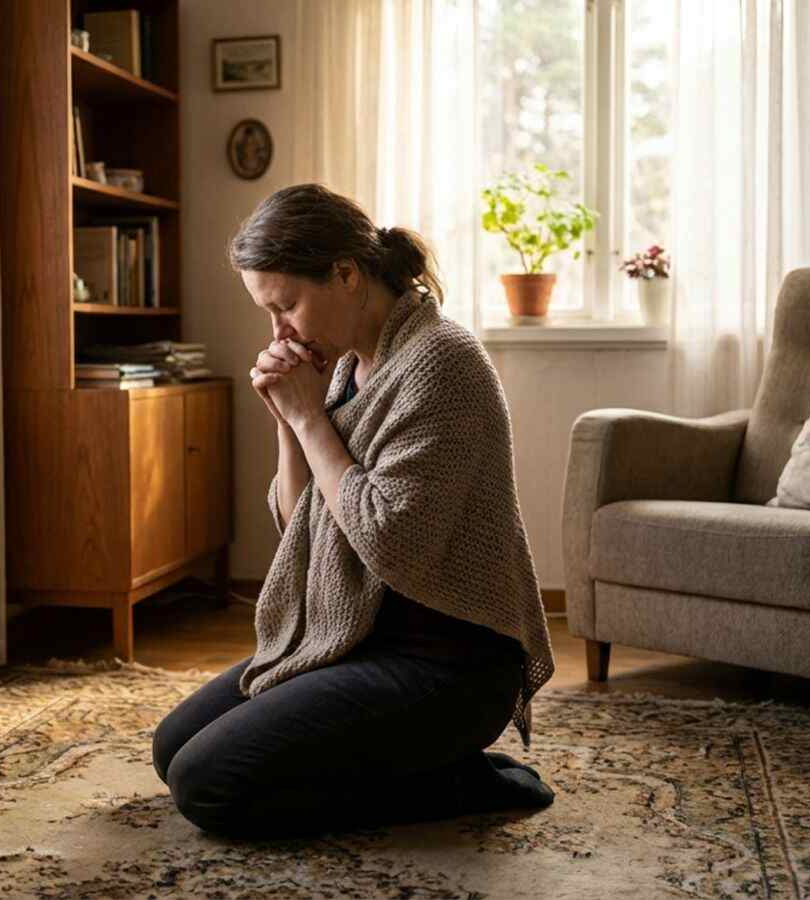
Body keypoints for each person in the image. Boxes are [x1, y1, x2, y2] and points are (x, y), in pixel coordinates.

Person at [150, 184, 556, 839]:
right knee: (172, 751)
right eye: (269, 314)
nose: (281, 332)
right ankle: (393, 764)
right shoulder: (345, 368)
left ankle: (453, 780)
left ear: (345, 273)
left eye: (287, 306)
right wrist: (288, 418)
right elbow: (297, 527)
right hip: (355, 639)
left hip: (448, 667)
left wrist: (310, 417)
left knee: (210, 788)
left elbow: (389, 542)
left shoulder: (442, 363)